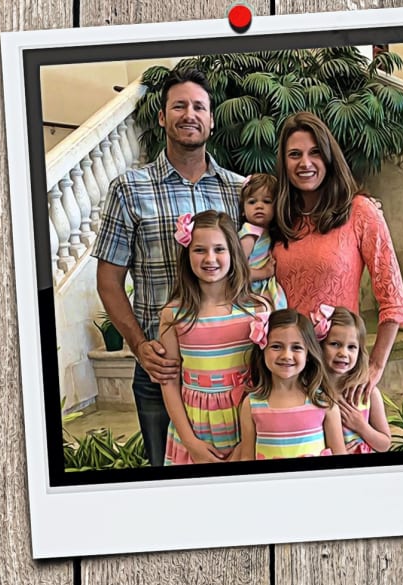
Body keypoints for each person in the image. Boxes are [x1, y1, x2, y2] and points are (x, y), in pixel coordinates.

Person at [93, 68, 246, 466]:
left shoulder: (239, 190)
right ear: (162, 116)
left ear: (211, 120)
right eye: (179, 105)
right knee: (167, 480)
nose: (189, 114)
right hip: (161, 368)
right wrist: (140, 346)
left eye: (199, 106)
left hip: (235, 369)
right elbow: (109, 282)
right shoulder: (130, 189)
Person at [268, 111, 403, 402]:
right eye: (295, 154)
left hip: (340, 373)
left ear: (329, 157)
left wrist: (376, 365)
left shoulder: (360, 211)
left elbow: (392, 298)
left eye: (315, 152)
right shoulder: (279, 219)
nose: (305, 163)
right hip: (288, 373)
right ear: (284, 162)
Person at [159, 210, 269, 465]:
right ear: (187, 254)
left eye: (219, 249)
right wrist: (191, 443)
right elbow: (169, 382)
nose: (210, 258)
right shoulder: (173, 315)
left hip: (248, 427)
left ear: (233, 253)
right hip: (195, 429)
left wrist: (248, 443)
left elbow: (267, 376)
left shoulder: (258, 309)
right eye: (200, 250)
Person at [234, 309, 346, 460]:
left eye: (296, 347)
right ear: (263, 350)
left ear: (308, 354)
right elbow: (246, 459)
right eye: (276, 346)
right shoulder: (252, 404)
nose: (286, 355)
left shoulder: (324, 403)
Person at [319, 305, 393, 453]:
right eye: (335, 344)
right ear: (319, 346)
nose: (343, 353)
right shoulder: (313, 394)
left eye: (352, 347)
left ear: (360, 352)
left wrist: (361, 426)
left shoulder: (368, 394)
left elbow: (385, 445)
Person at [236, 173, 287, 310]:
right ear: (242, 210)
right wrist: (265, 272)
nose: (259, 206)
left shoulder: (265, 232)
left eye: (267, 201)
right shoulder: (249, 234)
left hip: (261, 288)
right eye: (252, 202)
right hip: (248, 292)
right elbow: (236, 271)